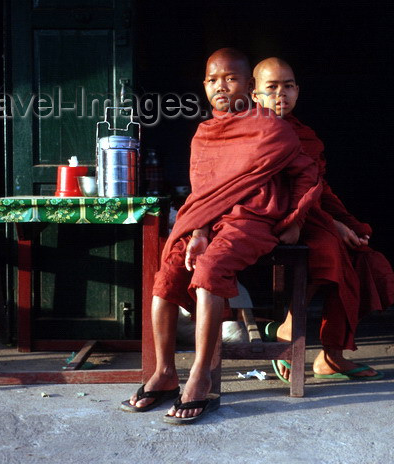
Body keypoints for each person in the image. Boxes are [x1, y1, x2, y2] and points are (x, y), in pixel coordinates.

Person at [121, 48, 321, 424]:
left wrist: (293, 219)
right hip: (209, 222)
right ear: (204, 86)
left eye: (230, 79)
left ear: (248, 85)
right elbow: (203, 193)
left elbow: (307, 174)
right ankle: (164, 373)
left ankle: (201, 376)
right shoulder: (205, 133)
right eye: (213, 80)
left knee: (210, 269)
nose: (221, 87)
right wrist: (197, 229)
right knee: (166, 275)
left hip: (253, 221)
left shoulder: (270, 127)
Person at [252, 57, 394, 382]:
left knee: (366, 258)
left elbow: (320, 188)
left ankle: (331, 355)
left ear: (298, 90)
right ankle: (290, 326)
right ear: (255, 95)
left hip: (313, 216)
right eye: (272, 87)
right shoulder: (252, 130)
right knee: (329, 247)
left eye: (288, 86)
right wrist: (334, 225)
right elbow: (268, 187)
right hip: (272, 216)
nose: (281, 93)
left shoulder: (304, 133)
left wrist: (346, 220)